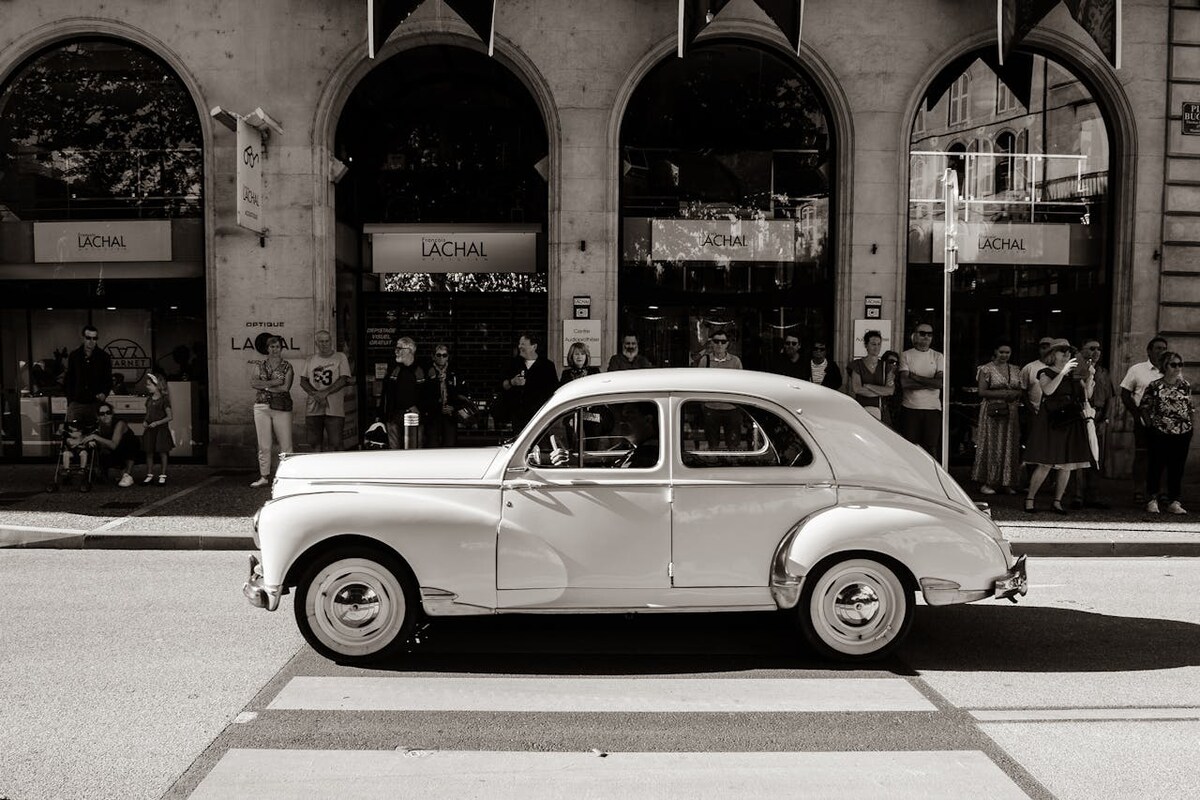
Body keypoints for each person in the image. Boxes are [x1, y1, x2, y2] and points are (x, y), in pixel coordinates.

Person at [1023, 340, 1093, 514]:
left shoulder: (1073, 375)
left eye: (1069, 352)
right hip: (1052, 420)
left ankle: (1057, 501)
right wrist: (1062, 372)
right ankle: (1030, 500)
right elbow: (1048, 391)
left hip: (1069, 419)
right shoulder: (1044, 372)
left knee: (1066, 464)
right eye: (1062, 352)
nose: (1067, 355)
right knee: (1046, 462)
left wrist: (1090, 378)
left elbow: (1086, 396)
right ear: (1053, 355)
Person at [1139, 350, 1194, 514]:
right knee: (1156, 465)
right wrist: (1151, 426)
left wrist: (1191, 426)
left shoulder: (1185, 386)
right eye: (1173, 364)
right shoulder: (1155, 386)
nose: (1177, 368)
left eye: (1180, 364)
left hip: (1183, 431)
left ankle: (1174, 500)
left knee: (1177, 467)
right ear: (1165, 366)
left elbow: (1190, 408)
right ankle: (1152, 499)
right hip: (1160, 431)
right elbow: (1144, 407)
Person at [1120, 335, 1170, 505]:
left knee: (1164, 456)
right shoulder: (1137, 369)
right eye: (1158, 348)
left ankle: (1161, 491)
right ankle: (1138, 490)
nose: (1161, 351)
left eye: (1164, 348)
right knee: (1142, 456)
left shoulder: (1171, 369)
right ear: (1149, 351)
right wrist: (1136, 415)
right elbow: (1125, 394)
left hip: (1166, 421)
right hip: (1144, 421)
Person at [972, 341, 1023, 495]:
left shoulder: (1015, 369)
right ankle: (989, 481)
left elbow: (1021, 389)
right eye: (1001, 352)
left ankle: (1007, 481)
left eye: (1007, 352)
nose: (1004, 355)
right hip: (992, 410)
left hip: (1011, 411)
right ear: (995, 351)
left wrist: (1016, 394)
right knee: (992, 445)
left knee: (1010, 445)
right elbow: (981, 392)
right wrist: (1004, 394)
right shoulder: (986, 369)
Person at [1071, 339, 1114, 509]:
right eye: (1091, 348)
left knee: (1097, 458)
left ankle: (1093, 495)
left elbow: (1110, 398)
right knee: (1079, 456)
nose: (1096, 351)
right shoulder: (1076, 370)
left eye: (1098, 348)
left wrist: (1106, 419)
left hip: (1099, 416)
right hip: (1081, 415)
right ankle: (1077, 495)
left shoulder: (1104, 372)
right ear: (1083, 350)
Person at [250, 335, 294, 487]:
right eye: (272, 347)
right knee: (264, 444)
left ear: (281, 348)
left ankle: (286, 476)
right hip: (261, 406)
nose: (275, 350)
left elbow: (285, 387)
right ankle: (264, 476)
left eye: (277, 347)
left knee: (286, 444)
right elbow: (253, 383)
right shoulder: (259, 365)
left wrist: (265, 385)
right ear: (267, 349)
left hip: (281, 407)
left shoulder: (287, 366)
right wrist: (274, 382)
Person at [300, 330, 352, 452]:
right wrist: (316, 394)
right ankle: (317, 470)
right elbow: (303, 381)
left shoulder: (340, 357)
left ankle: (337, 469)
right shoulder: (310, 360)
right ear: (316, 344)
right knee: (314, 443)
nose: (324, 344)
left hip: (334, 408)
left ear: (331, 341)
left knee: (336, 442)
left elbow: (343, 379)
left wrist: (325, 393)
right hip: (313, 407)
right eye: (321, 342)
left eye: (327, 341)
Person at [898, 323, 944, 459]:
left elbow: (939, 383)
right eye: (922, 333)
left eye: (929, 334)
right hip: (910, 407)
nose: (926, 337)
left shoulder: (938, 356)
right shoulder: (906, 355)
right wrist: (930, 382)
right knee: (910, 447)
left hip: (932, 408)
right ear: (914, 335)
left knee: (931, 447)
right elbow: (905, 383)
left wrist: (915, 377)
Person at [693, 332, 743, 450]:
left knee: (733, 445)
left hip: (731, 408)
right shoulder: (705, 361)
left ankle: (731, 466)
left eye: (723, 342)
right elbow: (699, 384)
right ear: (712, 343)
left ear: (727, 344)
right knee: (712, 444)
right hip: (711, 407)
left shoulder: (735, 361)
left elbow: (740, 384)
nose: (719, 344)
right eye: (716, 341)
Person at [501, 333, 558, 432]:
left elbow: (554, 391)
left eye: (523, 344)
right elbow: (502, 385)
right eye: (519, 344)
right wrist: (512, 382)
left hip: (539, 417)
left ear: (534, 346)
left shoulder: (547, 366)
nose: (519, 347)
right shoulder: (513, 363)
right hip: (518, 417)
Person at [378, 336, 425, 449]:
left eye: (399, 348)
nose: (396, 351)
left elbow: (427, 393)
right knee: (394, 451)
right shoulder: (393, 368)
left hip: (413, 415)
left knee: (414, 449)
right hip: (393, 415)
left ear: (409, 350)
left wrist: (421, 409)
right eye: (396, 348)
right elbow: (385, 393)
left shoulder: (420, 369)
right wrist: (380, 414)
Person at [420, 344, 470, 448]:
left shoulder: (454, 372)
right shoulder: (426, 371)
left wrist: (453, 408)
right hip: (432, 415)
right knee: (432, 445)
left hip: (450, 414)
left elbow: (461, 394)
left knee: (450, 445)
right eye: (438, 355)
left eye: (444, 355)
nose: (442, 358)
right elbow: (423, 395)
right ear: (433, 356)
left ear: (448, 357)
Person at [63, 325, 112, 426]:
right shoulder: (74, 355)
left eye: (94, 338)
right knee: (73, 432)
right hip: (77, 401)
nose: (91, 341)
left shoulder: (104, 357)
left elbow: (108, 379)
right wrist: (70, 400)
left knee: (95, 432)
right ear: (83, 338)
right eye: (88, 338)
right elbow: (69, 379)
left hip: (95, 402)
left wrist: (104, 393)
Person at [86, 402, 139, 487]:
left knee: (130, 444)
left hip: (129, 448)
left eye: (108, 413)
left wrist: (95, 437)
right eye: (102, 414)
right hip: (115, 449)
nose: (106, 415)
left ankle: (127, 474)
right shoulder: (98, 426)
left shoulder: (119, 423)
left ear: (112, 414)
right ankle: (104, 472)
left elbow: (114, 444)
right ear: (98, 416)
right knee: (99, 448)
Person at [848, 330, 895, 423]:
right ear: (866, 345)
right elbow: (857, 389)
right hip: (862, 409)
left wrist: (868, 386)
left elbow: (890, 390)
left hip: (881, 410)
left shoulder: (886, 366)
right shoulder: (857, 365)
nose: (876, 347)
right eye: (873, 344)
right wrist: (882, 391)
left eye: (879, 344)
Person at [141, 372, 173, 485]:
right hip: (150, 429)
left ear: (157, 385)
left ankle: (163, 474)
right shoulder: (149, 400)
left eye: (149, 384)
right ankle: (149, 474)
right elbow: (148, 414)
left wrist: (157, 423)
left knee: (162, 452)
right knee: (149, 451)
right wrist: (145, 421)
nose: (147, 387)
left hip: (161, 430)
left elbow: (170, 417)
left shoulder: (164, 400)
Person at [881, 350, 903, 430]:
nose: (894, 365)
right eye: (891, 362)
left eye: (896, 363)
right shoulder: (878, 375)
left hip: (895, 414)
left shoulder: (898, 379)